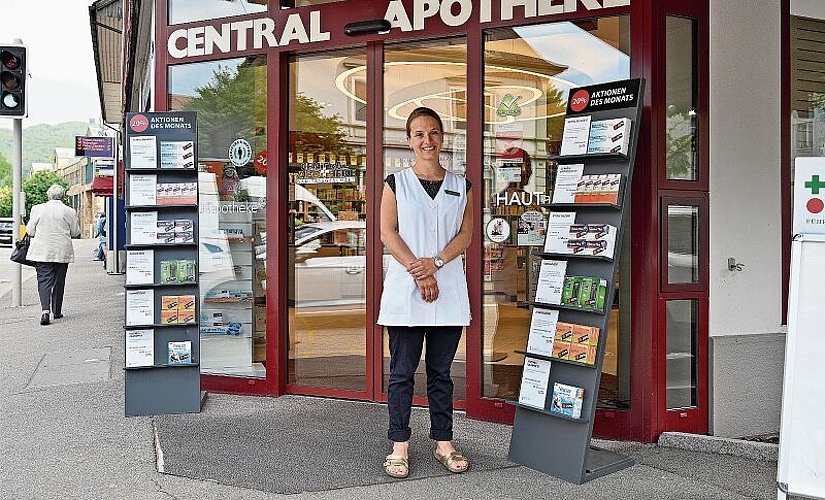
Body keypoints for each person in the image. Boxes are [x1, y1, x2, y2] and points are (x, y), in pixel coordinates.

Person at [377, 107, 473, 479]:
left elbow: (465, 235)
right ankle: (399, 445)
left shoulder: (461, 185)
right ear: (408, 140)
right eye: (419, 134)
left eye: (433, 133)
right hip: (406, 290)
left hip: (447, 288)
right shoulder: (395, 182)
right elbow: (388, 233)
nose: (427, 140)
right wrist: (420, 271)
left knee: (441, 373)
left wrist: (436, 263)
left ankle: (443, 442)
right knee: (401, 373)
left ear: (442, 138)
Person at [26, 184, 81, 326]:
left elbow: (30, 231)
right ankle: (57, 311)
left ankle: (45, 311)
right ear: (63, 196)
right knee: (59, 280)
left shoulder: (37, 209)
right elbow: (75, 232)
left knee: (44, 280)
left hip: (42, 251)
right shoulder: (70, 211)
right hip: (62, 251)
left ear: (48, 195)